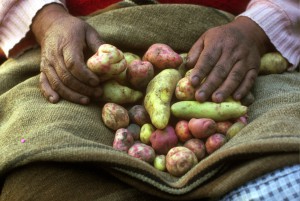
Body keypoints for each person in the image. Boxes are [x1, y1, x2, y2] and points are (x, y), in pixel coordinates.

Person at [0, 0, 299, 201]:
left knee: (284, 158)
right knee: (38, 176)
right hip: (79, 44)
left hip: (240, 44)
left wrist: (257, 27)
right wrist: (48, 21)